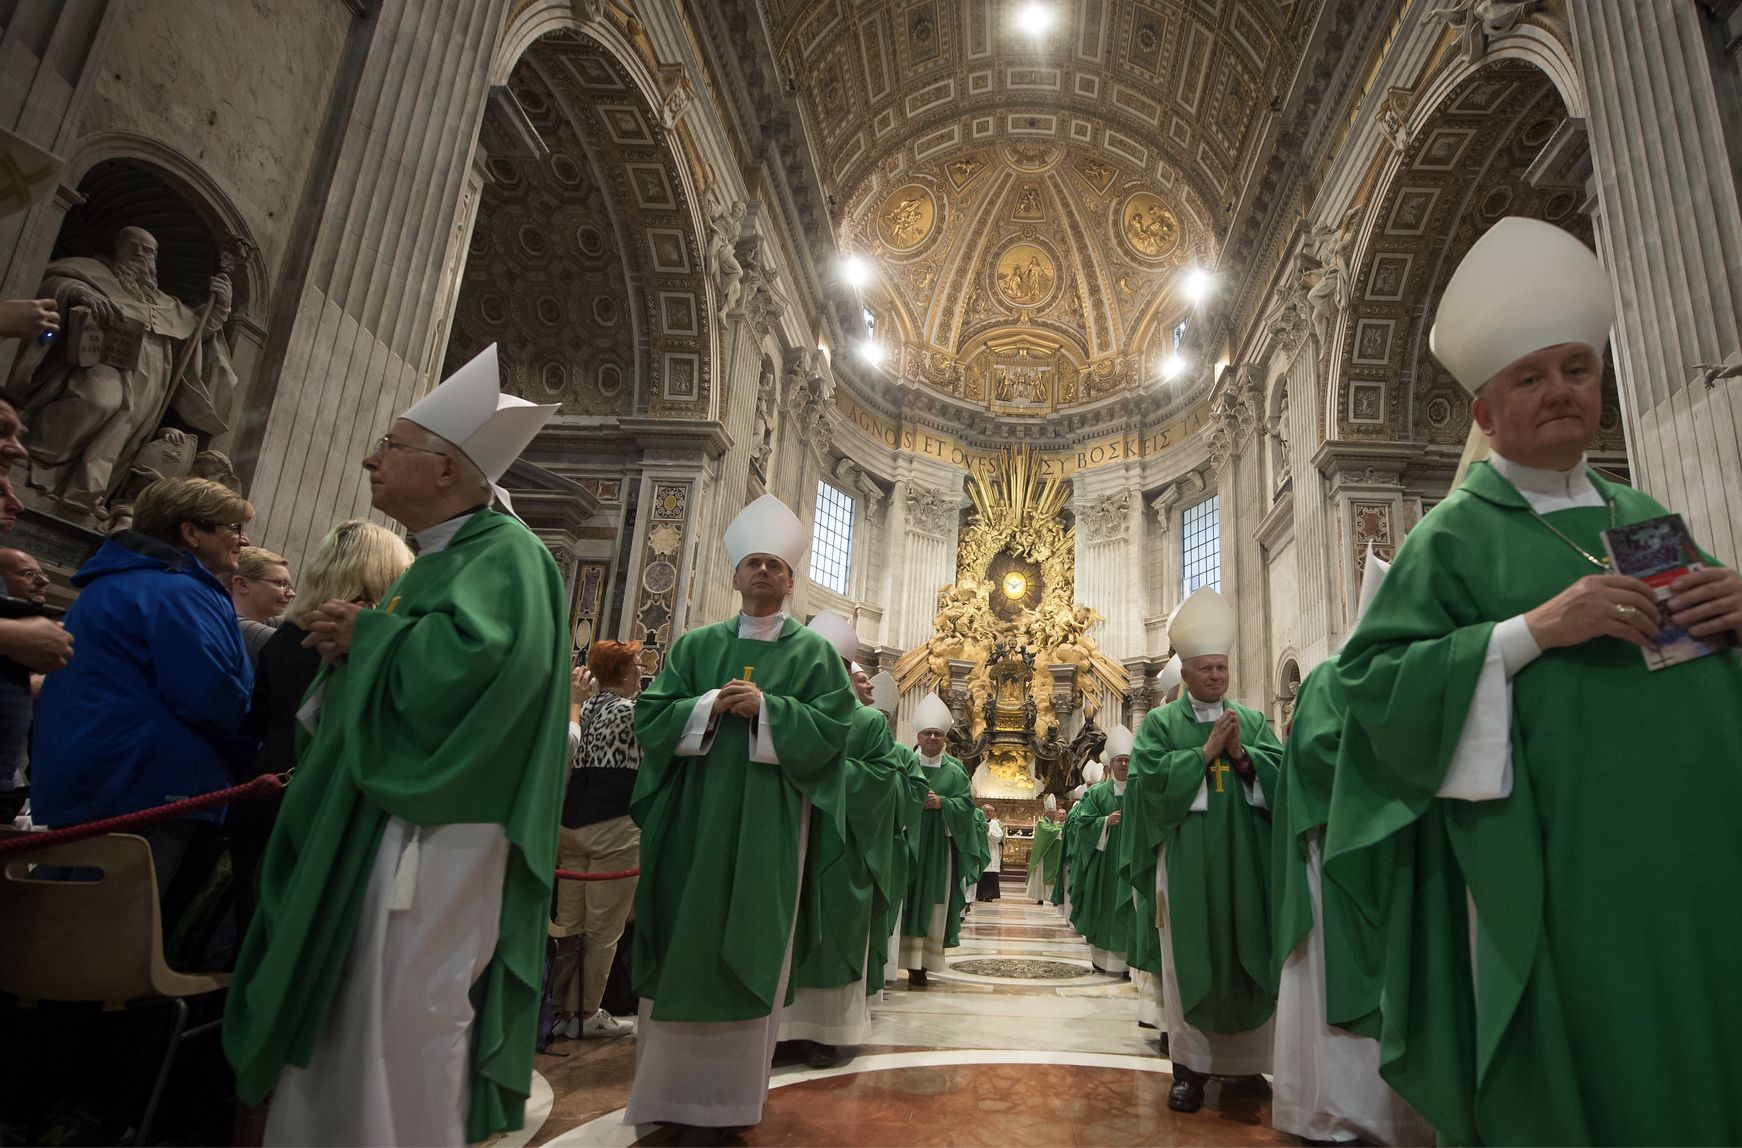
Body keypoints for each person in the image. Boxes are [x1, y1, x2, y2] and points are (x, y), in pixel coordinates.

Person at [1325, 217, 1742, 1144]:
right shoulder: (1451, 536)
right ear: (1483, 412)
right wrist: (1532, 632)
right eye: (1530, 376)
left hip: (1694, 862)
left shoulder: (1645, 517)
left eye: (1577, 369)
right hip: (1552, 867)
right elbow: (1374, 687)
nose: (1560, 391)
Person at [224, 344, 566, 1147]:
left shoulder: (508, 555)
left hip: (444, 818)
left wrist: (371, 640)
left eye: (392, 446)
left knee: (408, 1002)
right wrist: (359, 643)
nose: (371, 458)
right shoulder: (433, 563)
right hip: (387, 811)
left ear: (447, 469)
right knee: (356, 996)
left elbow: (490, 673)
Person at [623, 494, 856, 1141]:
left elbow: (835, 729)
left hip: (767, 832)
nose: (762, 574)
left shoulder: (813, 656)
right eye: (752, 563)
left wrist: (771, 711)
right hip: (691, 829)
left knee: (750, 939)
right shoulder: (695, 646)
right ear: (734, 575)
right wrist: (706, 706)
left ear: (789, 580)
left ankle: (725, 1110)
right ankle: (665, 1099)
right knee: (681, 941)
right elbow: (652, 715)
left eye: (774, 566)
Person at [1270, 552, 1430, 1146]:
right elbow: (1313, 755)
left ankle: (1413, 1113)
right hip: (1339, 859)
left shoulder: (1425, 675)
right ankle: (1338, 1111)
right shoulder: (1331, 677)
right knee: (1341, 981)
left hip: (1411, 855)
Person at [31, 476, 254, 897]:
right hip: (149, 785)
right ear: (191, 532)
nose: (242, 541)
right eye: (233, 528)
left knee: (54, 923)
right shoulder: (178, 591)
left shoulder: (112, 584)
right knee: (115, 931)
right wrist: (254, 749)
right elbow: (207, 691)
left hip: (92, 777)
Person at [1123, 587, 1282, 1114]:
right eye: (1207, 668)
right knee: (1187, 958)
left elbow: (1282, 776)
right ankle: (1188, 1069)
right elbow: (1147, 786)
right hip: (1188, 861)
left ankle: (1245, 1069)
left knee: (1246, 947)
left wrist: (1242, 757)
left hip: (1245, 861)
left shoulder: (1252, 721)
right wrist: (1205, 751)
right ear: (1185, 672)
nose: (1217, 676)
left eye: (1222, 668)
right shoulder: (1161, 726)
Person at [232, 519, 412, 938]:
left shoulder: (286, 634)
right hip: (323, 797)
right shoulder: (362, 642)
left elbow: (258, 719)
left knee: (253, 931)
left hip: (264, 789)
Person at [7, 226, 235, 524]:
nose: (141, 255)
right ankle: (32, 466)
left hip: (150, 377)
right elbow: (52, 282)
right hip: (100, 361)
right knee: (98, 400)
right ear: (117, 248)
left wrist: (221, 307)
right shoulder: (91, 273)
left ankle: (83, 498)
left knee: (124, 431)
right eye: (133, 247)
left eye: (148, 251)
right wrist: (80, 292)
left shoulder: (165, 303)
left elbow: (194, 334)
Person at [780, 612, 921, 1068]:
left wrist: (822, 774)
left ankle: (827, 1030)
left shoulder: (867, 723)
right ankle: (776, 1029)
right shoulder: (782, 708)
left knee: (833, 927)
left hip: (840, 844)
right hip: (782, 837)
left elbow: (882, 781)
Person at [551, 639, 645, 1041]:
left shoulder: (584, 706)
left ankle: (559, 1010)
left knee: (570, 923)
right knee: (604, 928)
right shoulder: (633, 713)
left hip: (570, 825)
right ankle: (588, 1011)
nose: (641, 670)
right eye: (638, 665)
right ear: (625, 673)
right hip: (612, 824)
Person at [897, 693, 976, 988]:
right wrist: (914, 801)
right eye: (928, 732)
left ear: (945, 739)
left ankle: (922, 965)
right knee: (904, 897)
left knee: (931, 901)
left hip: (938, 849)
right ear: (918, 734)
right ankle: (896, 959)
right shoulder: (904, 764)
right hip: (906, 843)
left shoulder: (956, 771)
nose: (932, 737)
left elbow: (966, 806)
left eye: (938, 734)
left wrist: (943, 803)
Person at [1065, 726, 1134, 974]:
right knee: (1104, 907)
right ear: (1111, 764)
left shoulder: (1140, 791)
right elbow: (1082, 824)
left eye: (1127, 760)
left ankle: (1130, 964)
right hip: (1104, 862)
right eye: (1119, 760)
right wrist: (1104, 822)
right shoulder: (1096, 793)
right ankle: (1103, 960)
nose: (1124, 764)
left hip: (1132, 861)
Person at [230, 545, 294, 663]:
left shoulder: (244, 620)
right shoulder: (234, 627)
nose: (292, 593)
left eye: (290, 587)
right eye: (281, 584)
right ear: (242, 584)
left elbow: (298, 619)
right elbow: (296, 647)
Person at [1024, 795, 1063, 903]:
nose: (1055, 815)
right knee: (1041, 875)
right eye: (1054, 813)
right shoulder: (1042, 823)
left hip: (1052, 854)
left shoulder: (1053, 823)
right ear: (1048, 813)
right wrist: (1058, 831)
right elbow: (1048, 831)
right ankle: (1040, 896)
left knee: (1052, 875)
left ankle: (1050, 897)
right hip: (1043, 856)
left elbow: (1057, 829)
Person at [975, 803, 1005, 901]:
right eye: (986, 811)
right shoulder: (978, 822)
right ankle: (980, 895)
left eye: (991, 811)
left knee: (991, 874)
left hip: (992, 851)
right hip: (981, 851)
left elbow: (999, 837)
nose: (989, 813)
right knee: (982, 873)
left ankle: (990, 896)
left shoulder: (995, 824)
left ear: (994, 813)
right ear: (982, 812)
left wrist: (989, 831)